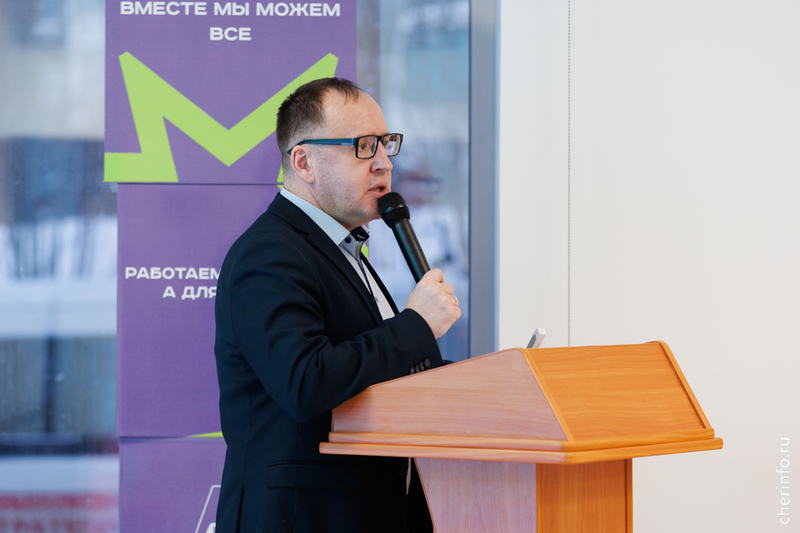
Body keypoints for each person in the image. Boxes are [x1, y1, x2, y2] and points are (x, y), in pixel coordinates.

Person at [213, 77, 461, 533]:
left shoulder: (344, 250)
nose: (384, 163)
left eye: (386, 144)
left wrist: (481, 385)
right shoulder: (269, 253)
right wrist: (416, 325)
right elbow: (306, 382)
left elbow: (373, 371)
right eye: (364, 147)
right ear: (304, 162)